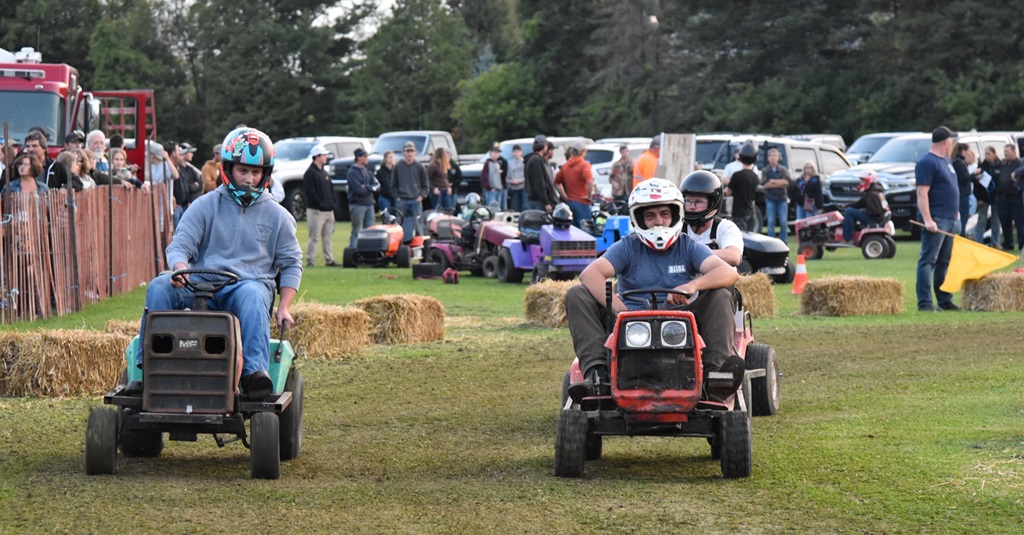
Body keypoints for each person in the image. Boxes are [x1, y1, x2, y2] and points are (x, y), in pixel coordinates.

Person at [126, 127, 302, 400]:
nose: (249, 179)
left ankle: (253, 375)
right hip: (198, 283)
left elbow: (291, 263)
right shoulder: (205, 205)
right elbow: (180, 245)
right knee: (160, 286)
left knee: (255, 295)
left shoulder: (278, 216)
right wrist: (180, 268)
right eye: (243, 171)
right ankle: (149, 368)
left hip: (245, 285)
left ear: (265, 174)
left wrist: (284, 306)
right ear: (228, 169)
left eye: (256, 173)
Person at [565, 178, 743, 399]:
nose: (658, 222)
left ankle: (715, 374)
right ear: (639, 219)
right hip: (630, 321)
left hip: (681, 320)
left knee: (720, 294)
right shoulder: (628, 246)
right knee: (576, 294)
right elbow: (589, 274)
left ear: (675, 216)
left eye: (664, 214)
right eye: (650, 216)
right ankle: (596, 374)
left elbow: (729, 272)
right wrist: (622, 310)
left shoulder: (687, 245)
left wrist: (691, 285)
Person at [916, 126, 961, 312]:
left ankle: (944, 300)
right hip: (936, 219)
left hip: (951, 219)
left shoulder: (946, 162)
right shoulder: (927, 162)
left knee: (944, 262)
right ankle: (925, 302)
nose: (952, 145)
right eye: (951, 142)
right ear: (946, 142)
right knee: (928, 260)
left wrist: (956, 212)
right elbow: (921, 192)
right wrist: (928, 219)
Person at [682, 170, 743, 267]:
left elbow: (734, 257)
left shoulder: (725, 227)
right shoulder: (678, 228)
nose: (692, 206)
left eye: (698, 202)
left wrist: (691, 254)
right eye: (688, 201)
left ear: (712, 203)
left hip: (719, 281)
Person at [303, 144, 337, 266]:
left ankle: (329, 259)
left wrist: (332, 203)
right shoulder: (310, 173)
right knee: (314, 236)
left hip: (328, 210)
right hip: (316, 210)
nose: (326, 157)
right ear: (317, 156)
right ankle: (310, 260)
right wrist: (320, 203)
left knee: (327, 237)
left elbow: (331, 189)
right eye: (323, 155)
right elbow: (310, 192)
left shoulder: (324, 172)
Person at [554, 139, 595, 228]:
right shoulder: (584, 165)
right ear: (583, 152)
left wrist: (565, 197)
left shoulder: (565, 166)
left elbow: (557, 182)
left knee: (573, 230)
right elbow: (589, 181)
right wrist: (589, 196)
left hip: (570, 202)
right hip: (582, 202)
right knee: (586, 230)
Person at [392, 141, 428, 242]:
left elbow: (426, 186)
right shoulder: (398, 166)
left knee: (418, 224)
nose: (409, 153)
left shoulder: (420, 167)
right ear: (404, 152)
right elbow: (393, 185)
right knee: (399, 224)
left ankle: (420, 246)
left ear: (415, 152)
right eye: (407, 151)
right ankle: (400, 244)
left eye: (411, 151)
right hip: (402, 200)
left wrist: (421, 197)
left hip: (415, 200)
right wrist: (397, 197)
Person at [842, 170, 890, 242]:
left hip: (875, 220)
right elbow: (860, 203)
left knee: (849, 212)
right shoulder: (874, 191)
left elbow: (875, 211)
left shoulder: (872, 194)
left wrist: (864, 211)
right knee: (850, 209)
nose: (861, 183)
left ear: (869, 181)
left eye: (863, 181)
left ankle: (847, 237)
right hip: (878, 218)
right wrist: (846, 206)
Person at [347, 147, 378, 247]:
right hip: (358, 204)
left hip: (369, 203)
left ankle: (367, 252)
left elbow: (377, 185)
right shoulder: (352, 172)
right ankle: (353, 251)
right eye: (365, 156)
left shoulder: (367, 171)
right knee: (357, 230)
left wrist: (367, 187)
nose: (367, 158)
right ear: (359, 157)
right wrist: (370, 188)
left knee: (369, 231)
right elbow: (359, 190)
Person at [726, 141, 759, 232]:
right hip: (751, 212)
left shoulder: (736, 175)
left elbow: (728, 192)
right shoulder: (755, 176)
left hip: (739, 212)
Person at [996, 144, 1023, 251]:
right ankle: (1008, 243)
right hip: (1003, 198)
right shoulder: (1004, 164)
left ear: (1013, 152)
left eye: (1007, 151)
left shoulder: (1019, 163)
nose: (1005, 153)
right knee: (1004, 221)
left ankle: (1022, 244)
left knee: (1019, 222)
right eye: (1004, 151)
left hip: (1015, 197)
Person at [760, 148, 791, 242]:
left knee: (783, 221)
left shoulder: (783, 170)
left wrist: (773, 181)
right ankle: (771, 243)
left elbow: (786, 182)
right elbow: (765, 185)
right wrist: (779, 183)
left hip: (782, 199)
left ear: (778, 157)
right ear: (768, 158)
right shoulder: (765, 170)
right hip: (770, 199)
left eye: (775, 155)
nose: (773, 157)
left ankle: (784, 242)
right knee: (771, 222)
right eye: (772, 156)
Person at [974, 147, 1000, 245]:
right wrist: (979, 198)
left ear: (994, 154)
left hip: (996, 197)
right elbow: (976, 184)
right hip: (984, 197)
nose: (987, 156)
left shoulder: (1000, 165)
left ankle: (995, 242)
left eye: (989, 153)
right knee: (981, 220)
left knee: (995, 221)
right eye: (986, 154)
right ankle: (978, 242)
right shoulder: (981, 166)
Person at [525, 136, 558, 212]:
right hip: (538, 202)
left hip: (536, 200)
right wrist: (546, 202)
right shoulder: (536, 160)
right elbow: (539, 183)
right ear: (545, 146)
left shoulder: (533, 159)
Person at [951, 142, 973, 237]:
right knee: (963, 218)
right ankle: (961, 236)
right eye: (967, 151)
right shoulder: (959, 163)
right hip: (962, 194)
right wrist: (974, 175)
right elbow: (964, 178)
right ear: (963, 151)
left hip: (961, 194)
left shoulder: (956, 162)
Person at [480, 143, 507, 209]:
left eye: (498, 152)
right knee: (491, 208)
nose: (497, 154)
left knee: (498, 209)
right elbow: (484, 178)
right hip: (491, 191)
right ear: (490, 153)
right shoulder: (487, 163)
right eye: (495, 152)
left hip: (499, 190)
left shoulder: (498, 163)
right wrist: (489, 188)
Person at [507, 144, 526, 211]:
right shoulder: (510, 164)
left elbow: (527, 177)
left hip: (524, 188)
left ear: (521, 152)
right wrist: (512, 181)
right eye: (515, 152)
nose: (516, 153)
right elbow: (507, 178)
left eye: (518, 151)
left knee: (525, 206)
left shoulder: (525, 163)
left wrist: (519, 181)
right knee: (515, 207)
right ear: (512, 153)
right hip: (514, 189)